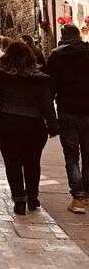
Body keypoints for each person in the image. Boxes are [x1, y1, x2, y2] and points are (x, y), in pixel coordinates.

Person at [0, 43, 59, 215]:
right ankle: (32, 197)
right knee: (32, 161)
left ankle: (19, 200)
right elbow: (47, 105)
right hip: (33, 125)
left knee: (12, 162)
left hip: (6, 123)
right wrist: (53, 126)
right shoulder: (39, 78)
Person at [45, 23, 89, 214]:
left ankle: (77, 197)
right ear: (79, 36)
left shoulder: (57, 57)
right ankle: (87, 191)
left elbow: (50, 86)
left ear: (62, 37)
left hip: (67, 110)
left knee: (71, 155)